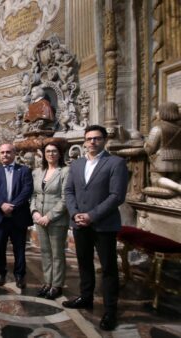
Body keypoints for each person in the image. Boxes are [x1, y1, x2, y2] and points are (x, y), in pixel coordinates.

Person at [63, 125, 128, 331]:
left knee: (108, 268)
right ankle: (86, 296)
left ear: (104, 140)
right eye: (89, 138)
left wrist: (91, 216)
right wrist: (75, 214)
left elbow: (117, 196)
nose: (92, 142)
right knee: (83, 263)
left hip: (103, 225)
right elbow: (68, 191)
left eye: (97, 138)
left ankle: (110, 310)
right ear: (84, 141)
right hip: (80, 223)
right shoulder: (77, 164)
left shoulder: (116, 163)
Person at [0, 143, 33, 289]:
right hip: (0, 216)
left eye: (8, 152)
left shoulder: (24, 170)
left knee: (19, 248)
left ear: (14, 154)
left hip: (18, 215)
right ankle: (1, 273)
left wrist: (12, 205)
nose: (5, 155)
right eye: (2, 153)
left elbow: (27, 190)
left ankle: (20, 275)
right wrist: (2, 205)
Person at [30, 142, 69, 300]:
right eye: (48, 151)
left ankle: (57, 285)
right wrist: (34, 212)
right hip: (40, 219)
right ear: (44, 154)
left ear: (59, 154)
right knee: (45, 252)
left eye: (54, 151)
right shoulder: (38, 172)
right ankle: (47, 282)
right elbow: (33, 195)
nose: (51, 154)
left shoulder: (65, 171)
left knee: (57, 254)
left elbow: (66, 199)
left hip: (57, 220)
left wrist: (49, 216)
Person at [144, 102, 181, 195]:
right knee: (172, 182)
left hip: (161, 160)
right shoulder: (179, 129)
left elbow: (149, 149)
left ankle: (179, 187)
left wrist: (145, 145)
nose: (157, 113)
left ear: (164, 112)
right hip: (178, 161)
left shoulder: (157, 128)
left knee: (156, 180)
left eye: (158, 111)